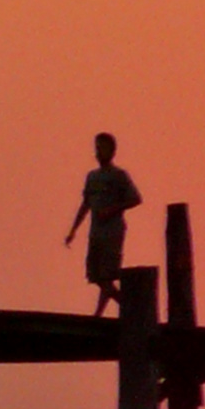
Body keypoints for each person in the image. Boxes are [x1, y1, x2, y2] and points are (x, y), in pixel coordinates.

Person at [65, 132, 143, 317]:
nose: (98, 152)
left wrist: (112, 210)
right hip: (95, 233)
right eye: (97, 148)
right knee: (97, 275)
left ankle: (120, 310)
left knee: (107, 275)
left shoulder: (119, 175)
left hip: (112, 232)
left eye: (102, 148)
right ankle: (128, 306)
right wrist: (73, 230)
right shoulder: (91, 177)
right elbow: (86, 204)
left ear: (112, 151)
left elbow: (135, 198)